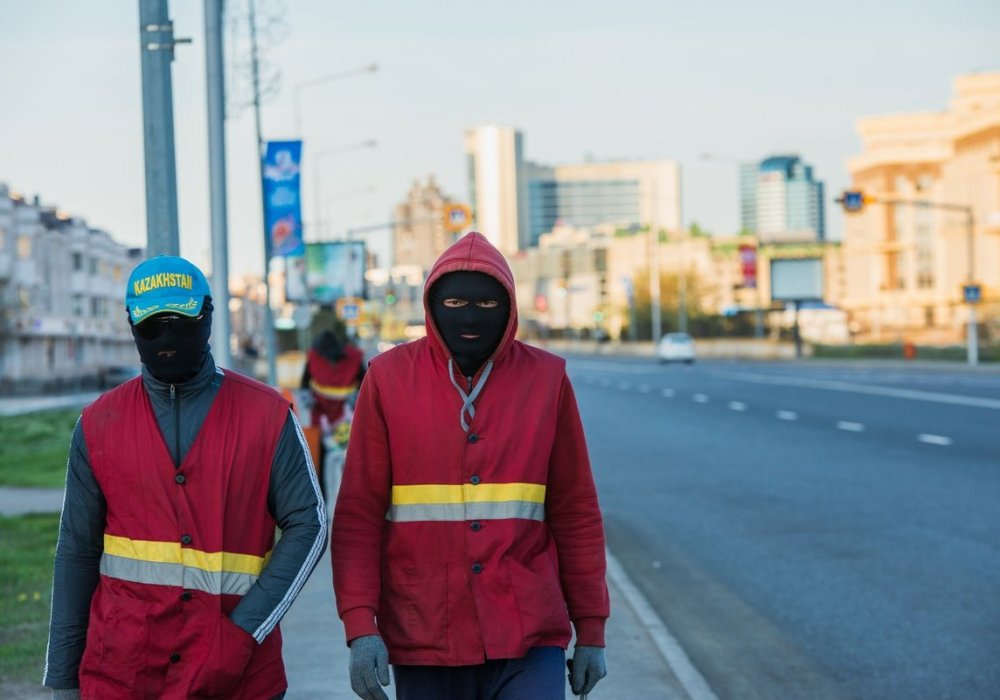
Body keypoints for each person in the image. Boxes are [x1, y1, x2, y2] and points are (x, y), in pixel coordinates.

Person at [331, 232, 609, 700]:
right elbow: (358, 515)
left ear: (510, 307)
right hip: (423, 633)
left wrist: (592, 632)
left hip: (529, 634)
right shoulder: (388, 379)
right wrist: (361, 627)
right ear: (431, 305)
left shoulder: (547, 380)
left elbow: (576, 511)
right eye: (455, 301)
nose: (470, 317)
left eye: (486, 304)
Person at [43, 255, 328, 700]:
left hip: (238, 675)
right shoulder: (98, 423)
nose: (167, 338)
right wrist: (62, 675)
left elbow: (309, 525)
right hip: (122, 674)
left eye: (181, 321)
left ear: (208, 317)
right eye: (152, 326)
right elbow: (76, 551)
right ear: (132, 327)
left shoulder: (267, 415)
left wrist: (244, 631)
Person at [300, 329, 366, 501]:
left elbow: (365, 384)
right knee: (316, 462)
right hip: (321, 417)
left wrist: (357, 398)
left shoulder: (354, 359)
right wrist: (307, 398)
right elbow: (304, 384)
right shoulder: (314, 357)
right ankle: (318, 500)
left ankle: (354, 500)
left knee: (351, 462)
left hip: (347, 417)